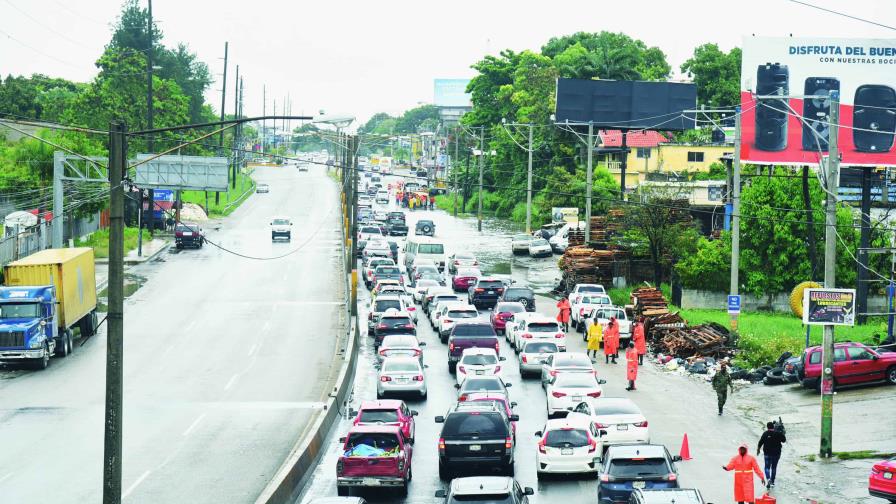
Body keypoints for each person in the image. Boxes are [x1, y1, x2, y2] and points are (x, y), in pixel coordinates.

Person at [757, 421, 786, 488]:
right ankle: (772, 482)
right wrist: (783, 433)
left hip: (767, 453)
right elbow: (784, 440)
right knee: (774, 467)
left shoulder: (765, 433)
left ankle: (768, 479)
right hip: (776, 453)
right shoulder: (778, 433)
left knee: (767, 467)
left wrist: (758, 450)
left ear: (767, 427)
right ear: (773, 427)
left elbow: (760, 442)